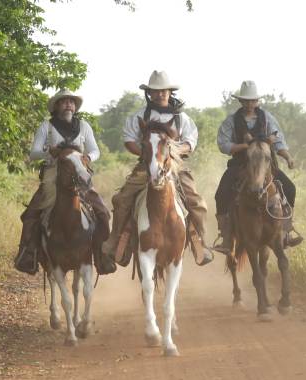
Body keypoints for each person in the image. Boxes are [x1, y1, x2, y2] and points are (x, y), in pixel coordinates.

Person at [102, 70, 213, 266]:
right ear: (149, 93)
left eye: (164, 90)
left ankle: (201, 243)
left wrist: (173, 153)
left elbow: (190, 141)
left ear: (170, 92)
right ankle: (116, 242)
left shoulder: (181, 118)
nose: (160, 94)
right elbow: (129, 140)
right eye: (155, 91)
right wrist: (149, 155)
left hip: (175, 167)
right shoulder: (139, 116)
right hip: (145, 166)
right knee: (122, 199)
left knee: (196, 201)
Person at [14, 89, 113, 275]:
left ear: (75, 107)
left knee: (103, 212)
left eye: (71, 102)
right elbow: (33, 153)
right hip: (53, 175)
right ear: (57, 106)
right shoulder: (47, 126)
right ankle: (28, 254)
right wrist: (47, 152)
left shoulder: (84, 126)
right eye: (64, 101)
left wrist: (87, 158)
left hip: (80, 173)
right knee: (31, 214)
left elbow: (95, 150)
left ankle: (102, 255)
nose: (68, 104)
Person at [213, 80, 303, 254]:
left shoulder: (267, 118)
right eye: (246, 101)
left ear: (257, 101)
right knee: (221, 193)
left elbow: (279, 142)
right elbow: (223, 144)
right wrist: (245, 147)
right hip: (240, 165)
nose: (249, 104)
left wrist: (288, 157)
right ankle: (225, 236)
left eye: (252, 100)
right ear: (240, 101)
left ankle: (286, 229)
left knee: (290, 188)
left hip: (265, 165)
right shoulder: (231, 121)